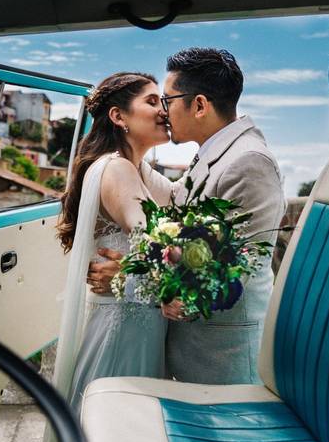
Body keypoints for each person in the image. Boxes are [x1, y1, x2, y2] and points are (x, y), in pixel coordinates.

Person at [87, 48, 286, 385]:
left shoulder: (248, 163)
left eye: (167, 100)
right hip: (192, 353)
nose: (164, 111)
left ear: (199, 105)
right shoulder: (212, 155)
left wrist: (126, 279)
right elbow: (167, 203)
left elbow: (231, 275)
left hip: (225, 360)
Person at [41, 72, 172, 442]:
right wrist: (137, 272)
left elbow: (180, 213)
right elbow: (155, 239)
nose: (164, 111)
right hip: (124, 331)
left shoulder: (144, 173)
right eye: (152, 102)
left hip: (139, 324)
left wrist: (128, 272)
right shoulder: (116, 170)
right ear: (119, 116)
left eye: (164, 102)